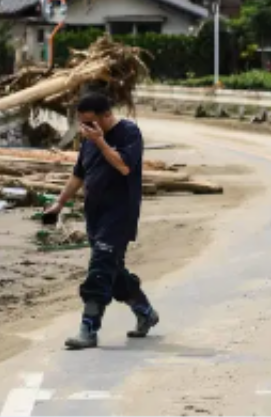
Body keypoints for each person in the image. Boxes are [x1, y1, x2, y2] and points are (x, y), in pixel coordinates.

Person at [43, 92, 158, 350]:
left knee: (99, 269)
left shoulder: (129, 133)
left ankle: (89, 329)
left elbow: (125, 167)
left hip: (119, 214)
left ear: (107, 115)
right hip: (94, 214)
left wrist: (101, 141)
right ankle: (145, 311)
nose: (86, 128)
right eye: (82, 123)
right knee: (112, 271)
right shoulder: (88, 141)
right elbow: (78, 175)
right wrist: (60, 203)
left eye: (91, 122)